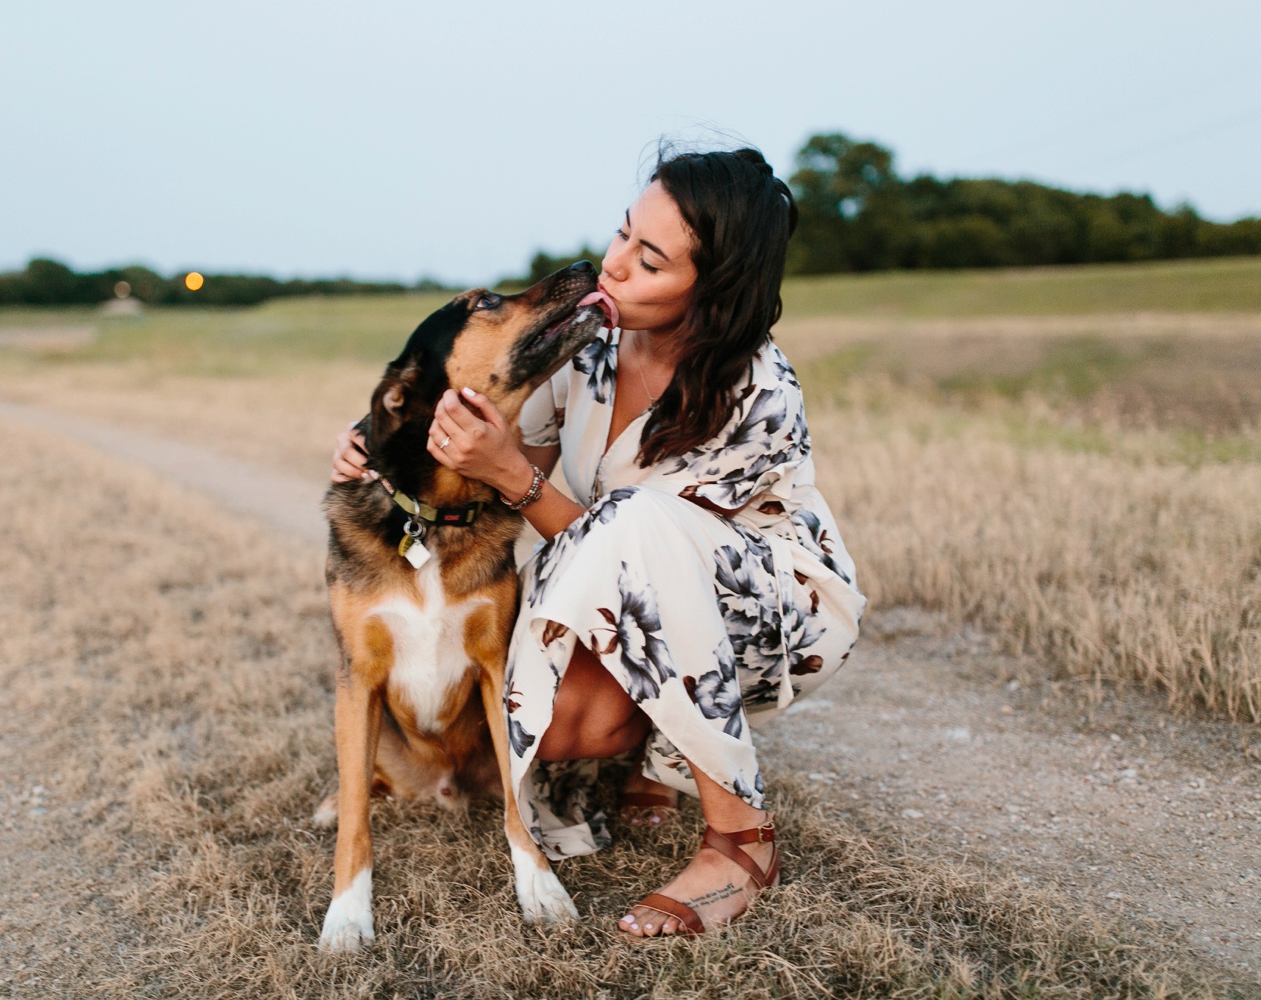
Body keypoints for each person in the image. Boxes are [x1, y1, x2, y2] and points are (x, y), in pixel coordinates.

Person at [331, 146, 865, 939]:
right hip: (628, 597)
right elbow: (493, 468)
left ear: (712, 291)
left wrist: (512, 475)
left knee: (636, 518)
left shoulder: (758, 391)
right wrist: (385, 445)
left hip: (762, 611)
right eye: (623, 235)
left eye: (649, 261)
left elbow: (623, 547)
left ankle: (740, 842)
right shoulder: (589, 349)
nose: (614, 265)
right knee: (548, 726)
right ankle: (652, 759)